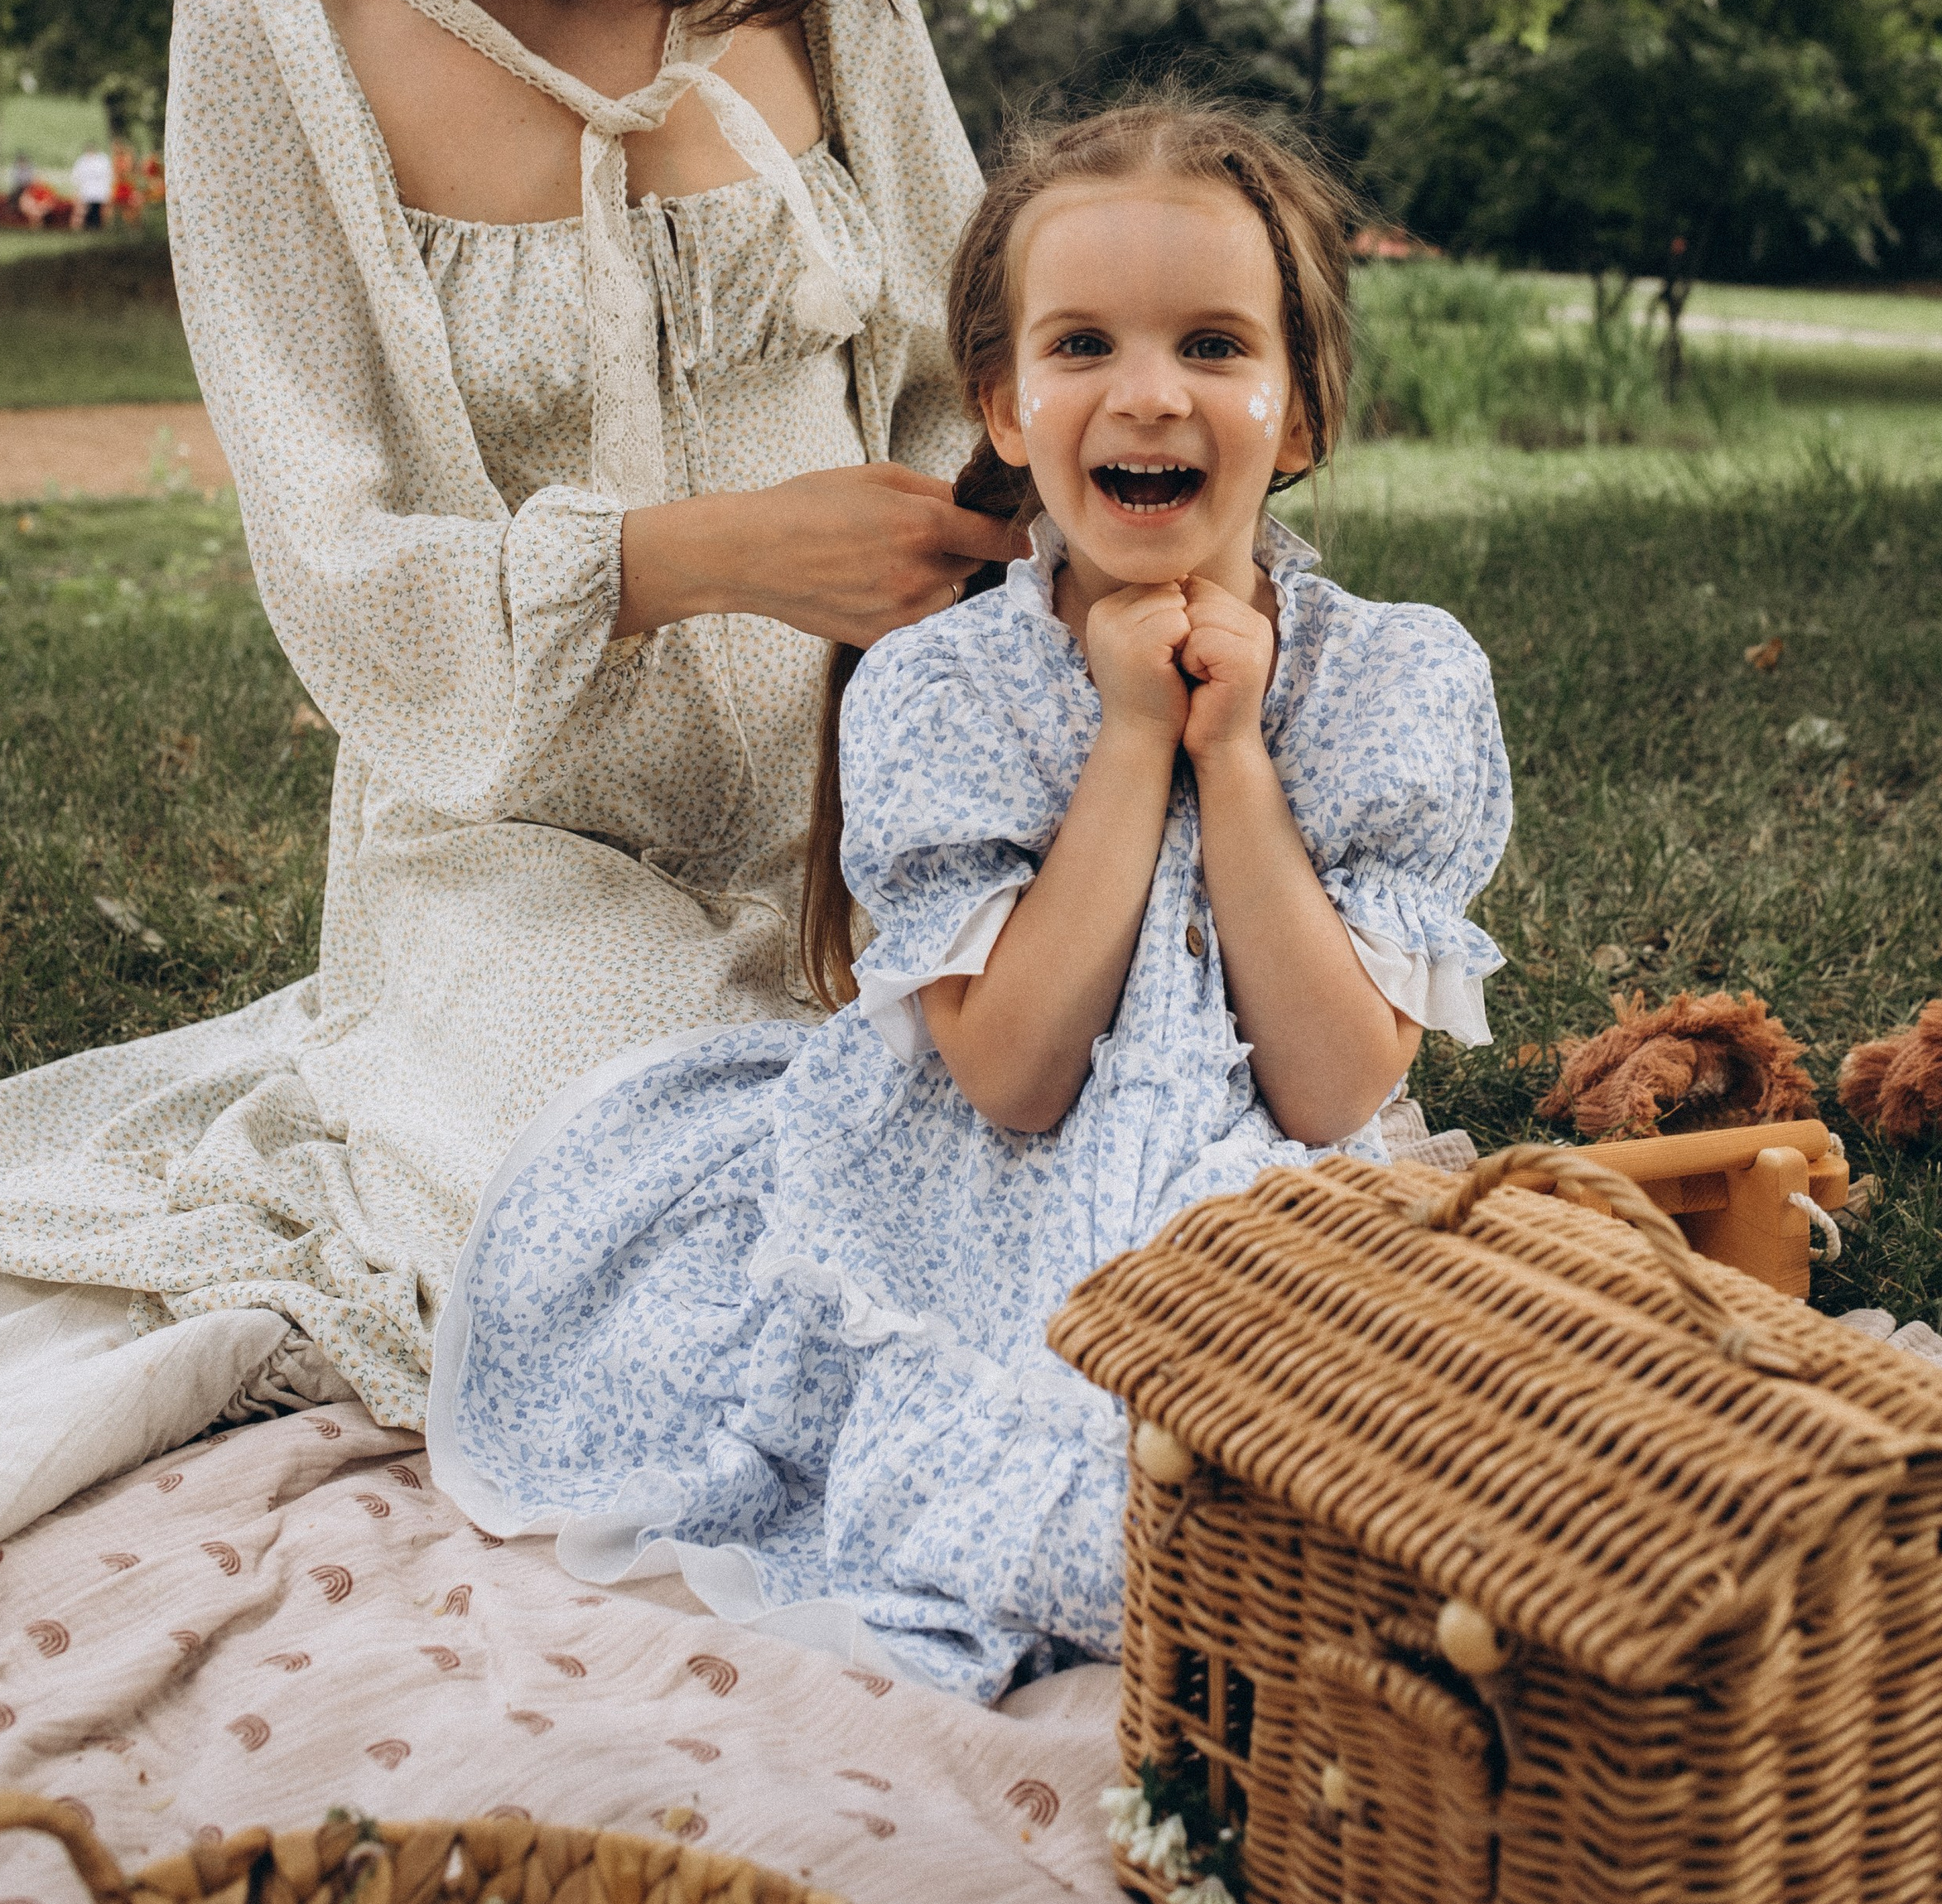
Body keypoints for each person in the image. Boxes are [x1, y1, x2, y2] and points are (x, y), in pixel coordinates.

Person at [0, 0, 1023, 1545]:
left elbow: (968, 379)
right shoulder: (278, 40)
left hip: (874, 843)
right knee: (633, 1238)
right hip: (523, 861)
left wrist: (974, 672)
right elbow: (343, 575)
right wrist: (719, 551)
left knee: (1090, 1178)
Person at [429, 99, 1511, 1700]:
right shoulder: (944, 690)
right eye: (1085, 347)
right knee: (1051, 1494)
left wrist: (1236, 751)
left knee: (1423, 1478)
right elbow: (1010, 1077)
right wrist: (1135, 737)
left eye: (1214, 345)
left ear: (1299, 411)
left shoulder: (1390, 682)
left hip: (1258, 1191)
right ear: (1005, 404)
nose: (1149, 393)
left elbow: (1339, 1080)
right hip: (988, 1185)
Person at [69, 142, 115, 229]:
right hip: (86, 192)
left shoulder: (103, 160)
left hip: (101, 191)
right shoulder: (82, 161)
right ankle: (87, 225)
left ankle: (99, 226)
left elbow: (109, 176)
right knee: (87, 212)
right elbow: (76, 177)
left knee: (98, 211)